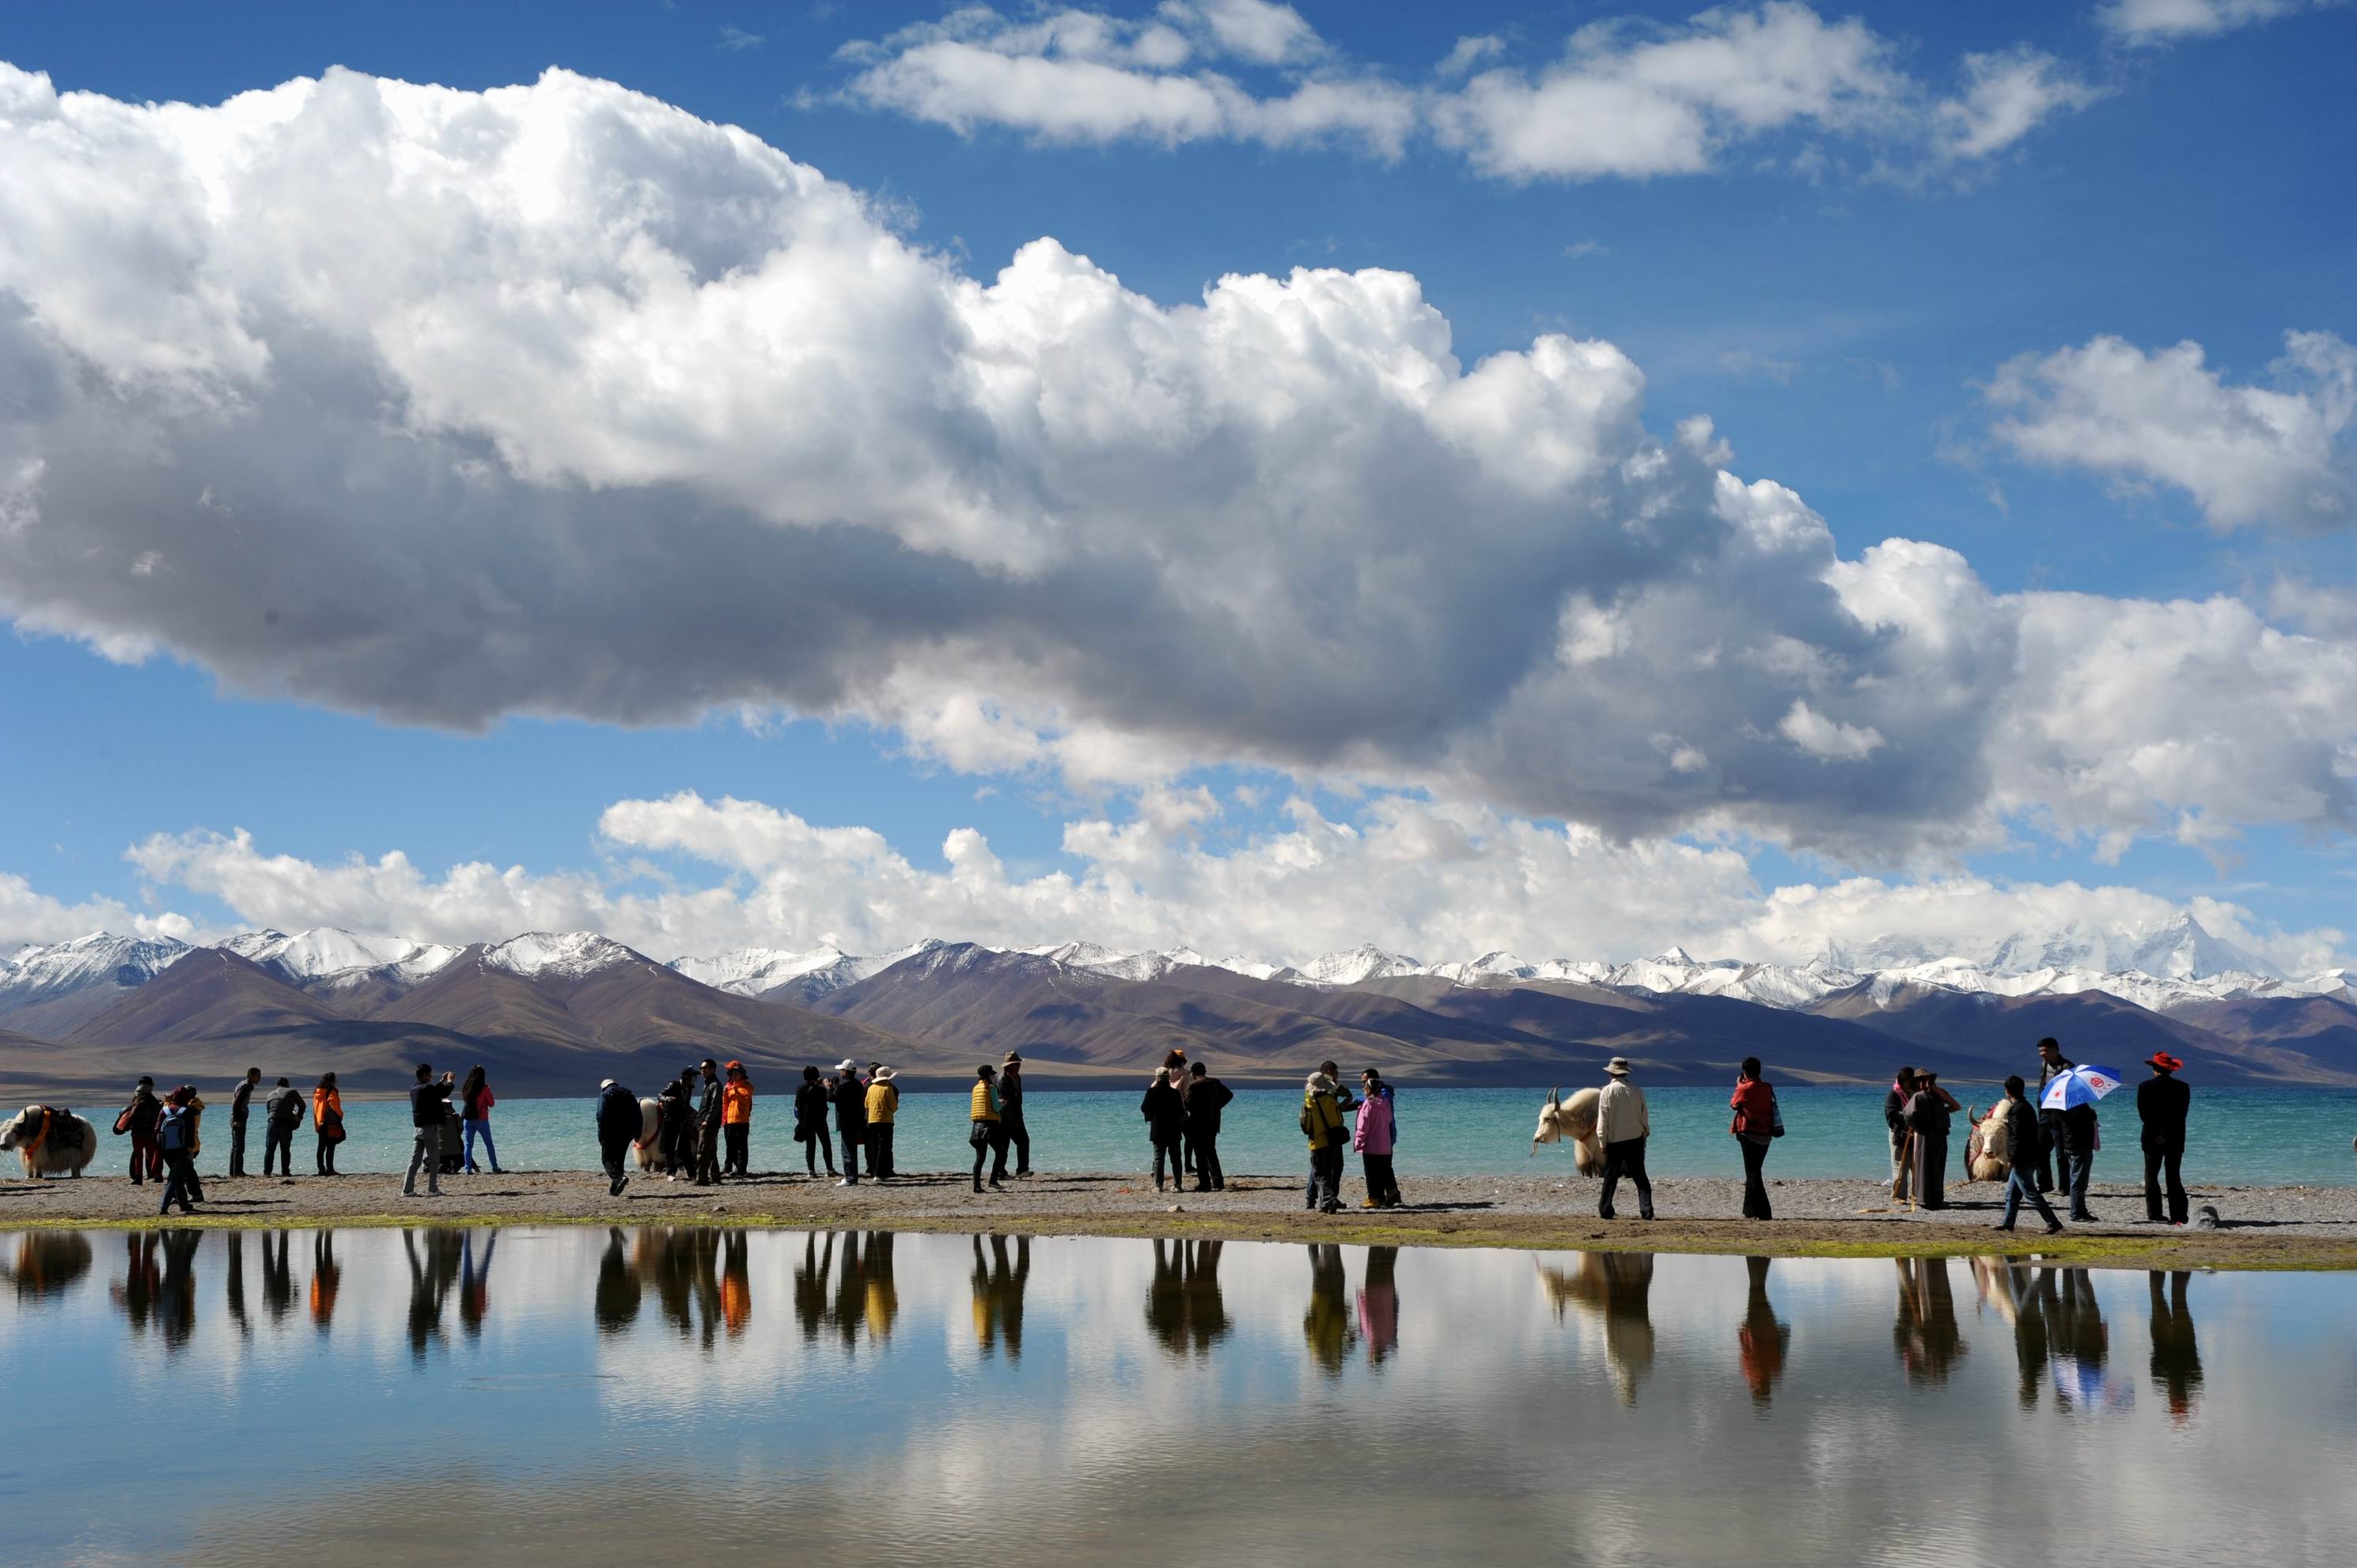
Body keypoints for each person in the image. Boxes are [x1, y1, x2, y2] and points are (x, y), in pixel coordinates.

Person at [1992, 1075, 2065, 1234]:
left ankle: (2053, 1222)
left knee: (2030, 1192)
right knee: (2011, 1192)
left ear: (2007, 1091)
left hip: (2022, 1158)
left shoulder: (2017, 1110)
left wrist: (2012, 1158)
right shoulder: (2026, 1107)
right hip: (2029, 1155)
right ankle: (2007, 1223)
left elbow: (2016, 1137)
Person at [1596, 1057, 1654, 1221]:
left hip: (1615, 1141)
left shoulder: (1607, 1091)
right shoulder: (1636, 1090)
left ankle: (1605, 1209)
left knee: (1611, 1177)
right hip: (1635, 1139)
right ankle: (1647, 1210)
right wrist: (1645, 1132)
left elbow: (1603, 1119)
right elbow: (1644, 1116)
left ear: (1611, 1074)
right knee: (1640, 1176)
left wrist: (1602, 1141)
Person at [2139, 1051, 2192, 1225]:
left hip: (2152, 1137)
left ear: (2154, 1069)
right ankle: (2178, 1214)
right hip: (2175, 1137)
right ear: (2171, 1070)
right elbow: (2181, 1114)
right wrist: (2166, 1133)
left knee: (2151, 1176)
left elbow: (2145, 1115)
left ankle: (2155, 1213)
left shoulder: (2145, 1087)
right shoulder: (2183, 1088)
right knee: (2173, 1176)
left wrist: (2158, 1134)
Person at [1904, 1071, 1961, 1210]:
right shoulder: (1940, 1093)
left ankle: (1924, 1198)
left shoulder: (1918, 1096)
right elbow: (1956, 1107)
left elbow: (1909, 1115)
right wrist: (1940, 1112)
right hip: (1940, 1136)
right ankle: (1936, 1199)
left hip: (1925, 1135)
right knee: (1937, 1167)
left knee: (1923, 1166)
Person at [1730, 1057, 1776, 1220]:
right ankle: (1749, 1210)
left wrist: (1739, 1085)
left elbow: (1734, 1104)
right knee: (1754, 1171)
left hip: (1748, 1133)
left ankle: (1764, 1212)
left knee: (1753, 1173)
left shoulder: (1744, 1089)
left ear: (1745, 1072)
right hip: (1766, 1134)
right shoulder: (1767, 1087)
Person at [402, 1063, 454, 1198]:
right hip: (429, 1130)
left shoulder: (414, 1088)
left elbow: (432, 1091)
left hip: (418, 1130)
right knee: (435, 1160)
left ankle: (407, 1190)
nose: (431, 1076)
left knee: (414, 1161)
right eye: (430, 1074)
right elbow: (443, 1093)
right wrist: (449, 1082)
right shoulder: (427, 1089)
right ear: (425, 1075)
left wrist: (441, 1081)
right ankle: (433, 1189)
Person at [1302, 1070, 1347, 1214]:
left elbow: (1306, 1127)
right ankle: (1325, 1205)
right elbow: (1340, 1120)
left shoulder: (1309, 1104)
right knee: (1327, 1172)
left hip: (1318, 1143)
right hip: (1333, 1142)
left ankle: (1328, 1199)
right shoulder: (1332, 1101)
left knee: (1319, 1174)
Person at [1353, 1068, 1400, 1210]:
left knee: (1374, 1171)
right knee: (1384, 1168)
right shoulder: (1383, 1100)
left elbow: (1363, 1127)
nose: (1362, 1087)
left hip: (1377, 1141)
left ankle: (1376, 1197)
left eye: (1364, 1083)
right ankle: (1389, 1194)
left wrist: (1358, 1143)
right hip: (1385, 1140)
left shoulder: (1379, 1098)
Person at [1183, 1060, 1232, 1192]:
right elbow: (1229, 1095)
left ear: (1193, 1073)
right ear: (1205, 1071)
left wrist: (1197, 1110)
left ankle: (1204, 1183)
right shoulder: (1215, 1083)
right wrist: (1216, 1107)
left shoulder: (1194, 1085)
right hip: (1213, 1123)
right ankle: (1218, 1181)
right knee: (1211, 1152)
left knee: (1200, 1154)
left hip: (1198, 1124)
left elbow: (1187, 1104)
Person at [2034, 1038, 2075, 1195]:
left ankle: (2065, 1187)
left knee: (2061, 1154)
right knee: (2040, 1150)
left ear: (2054, 1050)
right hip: (2045, 1112)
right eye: (2040, 1052)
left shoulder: (2067, 1067)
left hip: (2061, 1115)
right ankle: (2045, 1184)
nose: (2041, 1055)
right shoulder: (2044, 1065)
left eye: (2044, 1051)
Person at [156, 1085, 201, 1216]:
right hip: (181, 1150)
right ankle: (163, 1207)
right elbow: (190, 1134)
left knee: (178, 1176)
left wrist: (160, 1149)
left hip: (166, 1149)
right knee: (174, 1178)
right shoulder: (187, 1111)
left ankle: (184, 1204)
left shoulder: (164, 1111)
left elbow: (157, 1130)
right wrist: (190, 1150)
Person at [1142, 1067, 1187, 1191]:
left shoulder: (1152, 1092)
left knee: (1159, 1158)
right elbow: (1181, 1111)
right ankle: (1178, 1185)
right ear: (1169, 1079)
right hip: (1174, 1129)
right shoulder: (1175, 1093)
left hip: (1158, 1130)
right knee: (1176, 1159)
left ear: (1157, 1078)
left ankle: (1159, 1186)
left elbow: (1144, 1108)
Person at [114, 1075, 164, 1185]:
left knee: (138, 1155)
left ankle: (138, 1177)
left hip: (138, 1132)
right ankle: (157, 1175)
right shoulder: (155, 1102)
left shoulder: (139, 1102)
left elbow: (133, 1116)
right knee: (152, 1154)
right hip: (151, 1132)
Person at [595, 1078, 639, 1196]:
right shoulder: (629, 1095)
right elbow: (637, 1115)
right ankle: (614, 1190)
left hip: (610, 1133)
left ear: (604, 1087)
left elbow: (601, 1116)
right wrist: (637, 1133)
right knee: (619, 1160)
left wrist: (602, 1135)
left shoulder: (605, 1095)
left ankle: (619, 1179)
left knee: (606, 1160)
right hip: (626, 1134)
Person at [459, 1066, 503, 1176]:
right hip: (481, 1120)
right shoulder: (484, 1089)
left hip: (468, 1119)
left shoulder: (466, 1087)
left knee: (468, 1145)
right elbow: (492, 1103)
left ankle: (468, 1168)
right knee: (489, 1143)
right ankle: (494, 1166)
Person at [1884, 1066, 1919, 1201]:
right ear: (1905, 1081)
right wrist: (1906, 1118)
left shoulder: (1912, 1093)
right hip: (1899, 1134)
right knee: (1900, 1168)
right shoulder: (1894, 1095)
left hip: (1913, 1135)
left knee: (1915, 1166)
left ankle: (1916, 1194)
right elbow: (1891, 1114)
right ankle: (1899, 1196)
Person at [794, 1066, 836, 1179]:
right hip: (820, 1121)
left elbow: (798, 1104)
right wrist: (827, 1086)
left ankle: (811, 1170)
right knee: (826, 1145)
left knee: (810, 1146)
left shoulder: (799, 1088)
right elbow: (829, 1100)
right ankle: (829, 1169)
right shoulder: (821, 1090)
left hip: (806, 1122)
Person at [832, 1058, 868, 1187]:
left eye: (841, 1070)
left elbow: (832, 1098)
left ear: (846, 1072)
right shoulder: (858, 1084)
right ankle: (853, 1176)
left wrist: (829, 1087)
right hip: (857, 1121)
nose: (840, 1073)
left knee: (847, 1151)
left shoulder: (843, 1086)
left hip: (847, 1122)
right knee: (852, 1150)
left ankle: (850, 1178)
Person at [970, 1064, 1005, 1193]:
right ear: (989, 1075)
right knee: (1001, 1153)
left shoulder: (976, 1088)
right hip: (990, 1125)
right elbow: (996, 1108)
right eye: (993, 1074)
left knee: (980, 1158)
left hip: (977, 1126)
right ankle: (993, 1180)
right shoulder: (991, 1088)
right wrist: (1002, 1104)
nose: (995, 1076)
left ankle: (977, 1186)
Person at [657, 1069, 697, 1180]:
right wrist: (667, 1099)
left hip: (682, 1121)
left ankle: (692, 1173)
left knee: (685, 1146)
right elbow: (660, 1095)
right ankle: (670, 1173)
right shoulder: (673, 1085)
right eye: (692, 1077)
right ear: (686, 1077)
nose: (693, 1080)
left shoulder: (689, 1088)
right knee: (670, 1147)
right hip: (670, 1120)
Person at [262, 1076, 305, 1176]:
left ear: (277, 1085)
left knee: (270, 1149)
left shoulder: (270, 1095)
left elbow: (269, 1111)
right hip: (285, 1124)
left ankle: (267, 1173)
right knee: (285, 1149)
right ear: (287, 1084)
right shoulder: (292, 1092)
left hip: (272, 1123)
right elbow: (302, 1105)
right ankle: (285, 1172)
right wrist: (299, 1116)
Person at [864, 1066, 900, 1183]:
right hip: (885, 1121)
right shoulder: (887, 1088)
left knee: (874, 1147)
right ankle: (880, 1174)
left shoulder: (871, 1088)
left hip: (872, 1120)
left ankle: (875, 1172)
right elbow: (893, 1106)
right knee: (883, 1147)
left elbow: (866, 1104)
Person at [999, 1052, 1031, 1177]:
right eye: (1016, 1064)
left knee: (1024, 1141)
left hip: (1017, 1116)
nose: (1019, 1066)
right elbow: (1004, 1102)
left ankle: (1022, 1170)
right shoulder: (1003, 1079)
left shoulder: (1017, 1077)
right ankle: (1001, 1172)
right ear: (1009, 1066)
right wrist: (1013, 1121)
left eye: (1018, 1064)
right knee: (1004, 1145)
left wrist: (1019, 1116)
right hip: (1005, 1118)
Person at [721, 1061, 754, 1179]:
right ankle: (729, 1167)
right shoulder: (729, 1087)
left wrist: (734, 1090)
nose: (734, 1076)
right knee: (730, 1145)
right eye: (732, 1074)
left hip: (742, 1121)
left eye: (736, 1074)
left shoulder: (747, 1086)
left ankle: (741, 1170)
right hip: (730, 1120)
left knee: (742, 1146)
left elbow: (745, 1100)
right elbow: (726, 1104)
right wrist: (725, 1094)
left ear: (741, 1075)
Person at [695, 1059, 726, 1186]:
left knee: (702, 1151)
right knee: (711, 1150)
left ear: (713, 1069)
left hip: (709, 1123)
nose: (702, 1070)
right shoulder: (708, 1084)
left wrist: (707, 1120)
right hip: (704, 1121)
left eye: (705, 1068)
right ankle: (715, 1176)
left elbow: (715, 1105)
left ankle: (701, 1179)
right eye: (701, 1068)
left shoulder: (715, 1085)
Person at [228, 1066, 261, 1177]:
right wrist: (237, 1119)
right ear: (251, 1076)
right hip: (239, 1117)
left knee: (235, 1145)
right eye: (257, 1076)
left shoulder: (243, 1084)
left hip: (236, 1116)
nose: (259, 1079)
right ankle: (238, 1171)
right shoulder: (246, 1086)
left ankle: (234, 1172)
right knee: (239, 1146)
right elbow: (237, 1103)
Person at [313, 1073, 344, 1176]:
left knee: (321, 1147)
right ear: (333, 1081)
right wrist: (340, 1116)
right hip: (330, 1123)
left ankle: (321, 1169)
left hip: (320, 1122)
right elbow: (334, 1105)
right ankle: (330, 1168)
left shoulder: (317, 1092)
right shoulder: (331, 1091)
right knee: (331, 1146)